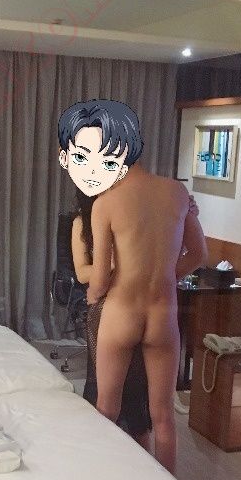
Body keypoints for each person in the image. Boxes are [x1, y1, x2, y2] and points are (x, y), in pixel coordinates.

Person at [58, 99, 207, 474]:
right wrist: (167, 276)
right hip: (163, 314)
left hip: (122, 312)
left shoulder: (105, 202)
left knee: (106, 409)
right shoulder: (177, 193)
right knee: (163, 416)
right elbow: (199, 254)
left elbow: (100, 277)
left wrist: (94, 294)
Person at [71, 187, 152, 448]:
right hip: (104, 305)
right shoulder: (82, 223)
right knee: (102, 387)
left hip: (136, 304)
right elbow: (82, 273)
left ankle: (141, 456)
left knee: (136, 384)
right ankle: (101, 449)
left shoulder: (130, 216)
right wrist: (113, 264)